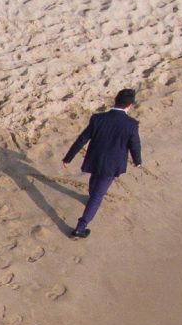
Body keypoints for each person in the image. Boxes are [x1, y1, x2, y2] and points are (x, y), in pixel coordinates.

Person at [61, 88, 143, 238]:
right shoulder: (131, 124)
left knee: (94, 183)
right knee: (97, 196)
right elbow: (135, 144)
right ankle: (80, 228)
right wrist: (137, 161)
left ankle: (91, 200)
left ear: (115, 101)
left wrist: (68, 158)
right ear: (129, 105)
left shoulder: (98, 118)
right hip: (112, 165)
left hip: (95, 160)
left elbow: (82, 139)